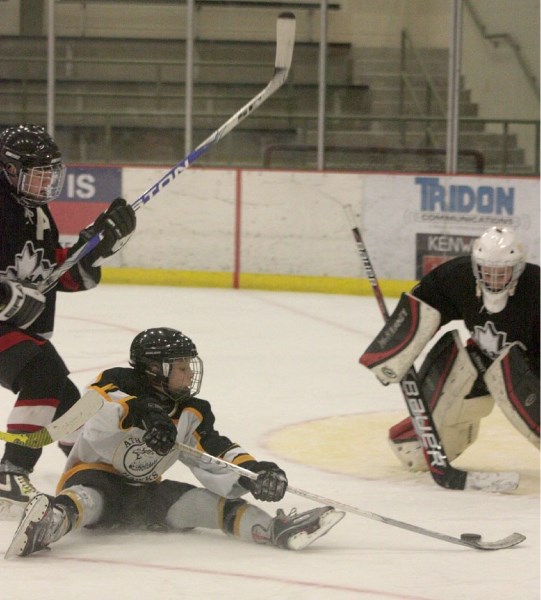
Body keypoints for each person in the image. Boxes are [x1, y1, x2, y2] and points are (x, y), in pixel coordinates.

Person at [5, 327, 344, 557]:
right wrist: (146, 416)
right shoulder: (116, 382)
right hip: (96, 478)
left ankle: (274, 530)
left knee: (210, 505)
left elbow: (216, 450)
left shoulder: (192, 410)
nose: (189, 374)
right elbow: (99, 413)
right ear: (154, 369)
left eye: (188, 366)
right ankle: (51, 523)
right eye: (180, 367)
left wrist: (255, 473)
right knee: (83, 500)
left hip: (147, 493)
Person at [0, 124, 136, 516]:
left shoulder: (35, 211)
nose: (46, 181)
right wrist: (9, 299)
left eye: (49, 172)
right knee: (42, 372)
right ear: (8, 169)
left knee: (67, 401)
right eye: (36, 172)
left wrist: (94, 246)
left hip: (10, 330)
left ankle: (90, 469)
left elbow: (56, 275)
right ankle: (10, 473)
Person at [360, 225, 539, 471]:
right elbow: (421, 309)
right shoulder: (457, 277)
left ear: (518, 269)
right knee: (418, 448)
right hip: (483, 359)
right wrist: (392, 352)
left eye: (502, 272)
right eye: (487, 271)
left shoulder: (536, 289)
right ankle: (426, 441)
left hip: (531, 365)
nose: (493, 279)